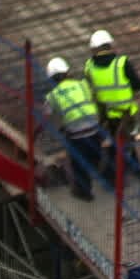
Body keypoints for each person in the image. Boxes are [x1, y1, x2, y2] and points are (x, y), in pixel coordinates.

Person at [84, 30, 140, 182]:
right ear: (109, 45)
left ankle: (114, 176)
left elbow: (91, 88)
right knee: (130, 144)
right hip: (126, 114)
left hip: (108, 115)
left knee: (115, 145)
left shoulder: (89, 67)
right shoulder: (121, 63)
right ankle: (136, 173)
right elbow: (138, 85)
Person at [45, 57, 102, 201]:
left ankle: (85, 192)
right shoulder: (82, 84)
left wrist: (34, 133)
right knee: (94, 153)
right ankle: (102, 172)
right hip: (95, 128)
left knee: (78, 162)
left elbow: (46, 116)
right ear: (67, 72)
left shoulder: (53, 95)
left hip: (77, 135)